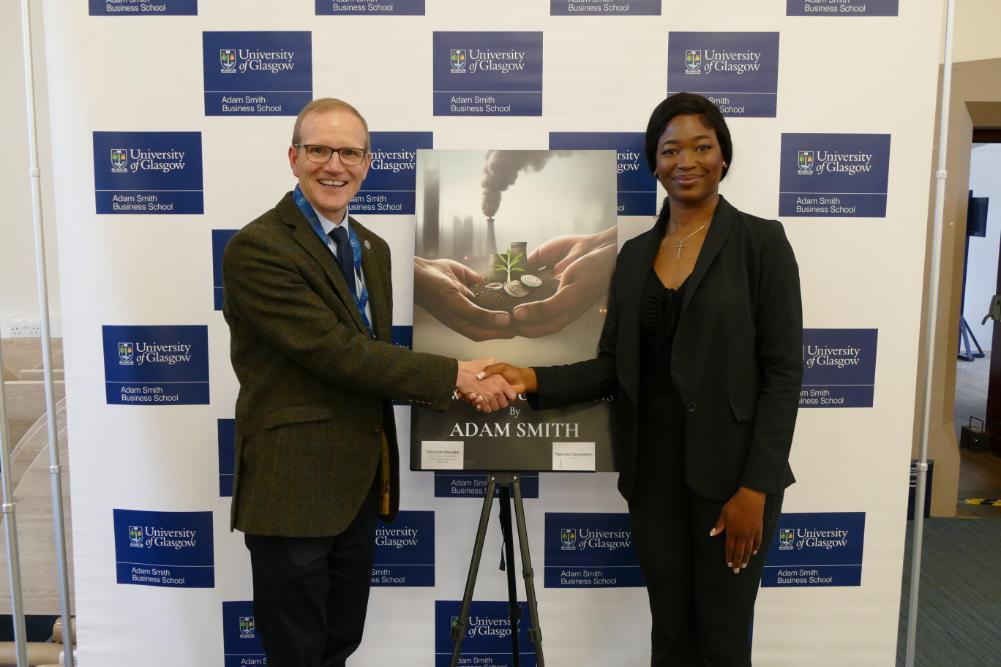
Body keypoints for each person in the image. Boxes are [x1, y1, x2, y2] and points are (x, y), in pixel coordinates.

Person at [484, 93, 802, 666]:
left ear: (723, 157)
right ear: (654, 163)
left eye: (702, 147)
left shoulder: (762, 244)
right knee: (671, 635)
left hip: (732, 481)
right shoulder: (632, 257)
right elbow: (613, 367)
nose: (688, 161)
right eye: (670, 149)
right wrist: (530, 376)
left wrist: (756, 487)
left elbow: (783, 373)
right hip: (652, 476)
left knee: (724, 639)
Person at [221, 97, 514, 667]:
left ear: (368, 162)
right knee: (297, 652)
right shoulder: (258, 249)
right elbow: (338, 354)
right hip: (293, 487)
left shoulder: (370, 248)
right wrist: (454, 375)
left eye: (350, 152)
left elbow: (370, 355)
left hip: (358, 481)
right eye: (320, 150)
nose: (336, 165)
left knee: (339, 644)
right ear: (294, 157)